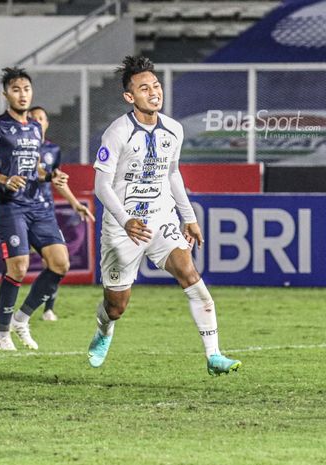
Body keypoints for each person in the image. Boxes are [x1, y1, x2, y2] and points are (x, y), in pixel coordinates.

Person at [88, 56, 241, 375]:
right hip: (123, 228)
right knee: (116, 307)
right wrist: (125, 220)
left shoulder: (174, 129)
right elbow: (101, 185)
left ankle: (214, 355)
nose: (153, 92)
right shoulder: (117, 133)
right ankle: (104, 330)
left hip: (161, 218)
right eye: (144, 88)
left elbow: (172, 174)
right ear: (130, 97)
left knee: (189, 273)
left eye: (156, 85)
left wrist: (189, 217)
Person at [0, 67, 71, 351]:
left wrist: (51, 176)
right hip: (9, 207)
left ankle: (22, 318)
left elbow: (35, 168)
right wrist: (5, 179)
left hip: (37, 207)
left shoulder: (33, 128)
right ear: (6, 94)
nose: (22, 94)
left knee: (60, 264)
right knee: (18, 268)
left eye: (26, 89)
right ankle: (2, 335)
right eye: (16, 89)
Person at [28, 106, 95, 321]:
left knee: (56, 263)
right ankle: (11, 313)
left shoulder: (53, 150)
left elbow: (58, 180)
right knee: (18, 264)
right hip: (21, 211)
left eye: (41, 118)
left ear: (47, 123)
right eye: (33, 118)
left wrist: (75, 204)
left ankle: (47, 308)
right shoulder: (19, 148)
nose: (38, 121)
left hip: (44, 212)